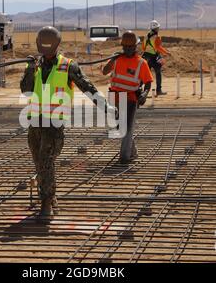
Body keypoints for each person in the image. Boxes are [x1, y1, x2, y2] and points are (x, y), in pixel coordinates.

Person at [20, 26, 114, 222]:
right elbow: (26, 90)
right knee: (40, 164)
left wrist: (106, 107)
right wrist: (30, 70)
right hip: (34, 123)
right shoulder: (34, 66)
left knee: (46, 162)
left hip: (54, 124)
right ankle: (51, 196)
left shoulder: (68, 66)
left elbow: (87, 87)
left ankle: (46, 204)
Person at [103, 30, 153, 164]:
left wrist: (145, 94)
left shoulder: (141, 63)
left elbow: (148, 82)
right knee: (120, 128)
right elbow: (104, 71)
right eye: (125, 47)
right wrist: (112, 59)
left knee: (127, 127)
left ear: (136, 46)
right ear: (122, 46)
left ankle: (124, 157)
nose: (128, 49)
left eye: (131, 47)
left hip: (130, 98)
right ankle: (133, 151)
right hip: (114, 97)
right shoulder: (117, 59)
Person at [142, 20, 170, 96]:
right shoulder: (156, 37)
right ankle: (158, 90)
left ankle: (143, 92)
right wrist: (166, 52)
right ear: (156, 28)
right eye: (158, 27)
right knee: (158, 73)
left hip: (145, 57)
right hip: (154, 57)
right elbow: (158, 47)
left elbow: (143, 48)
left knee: (145, 75)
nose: (158, 29)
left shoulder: (146, 36)